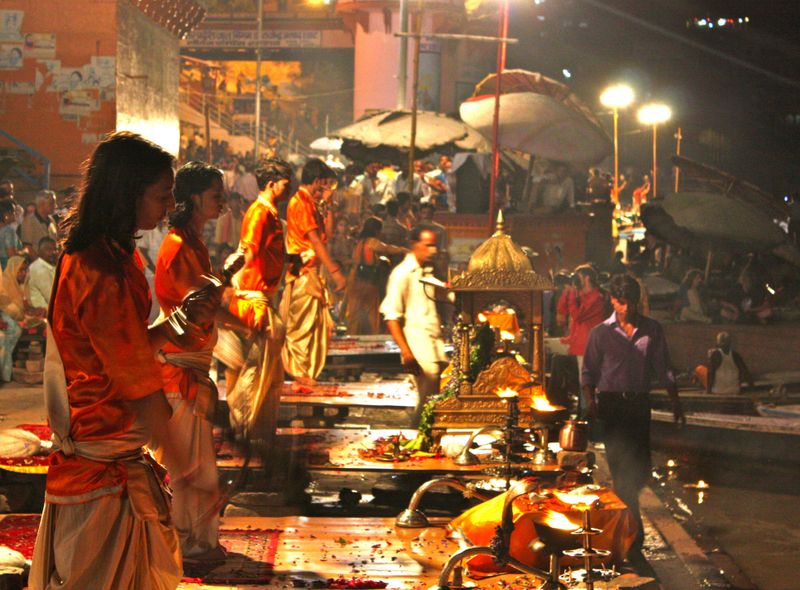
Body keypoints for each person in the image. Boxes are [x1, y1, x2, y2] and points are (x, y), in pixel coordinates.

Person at [30, 132, 220, 590]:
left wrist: (177, 321)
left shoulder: (114, 254)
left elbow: (125, 345)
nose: (170, 203)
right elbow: (135, 380)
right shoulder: (102, 269)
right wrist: (188, 470)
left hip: (112, 447)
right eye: (162, 194)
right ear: (126, 192)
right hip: (104, 455)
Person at [581, 274, 684, 567]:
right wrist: (591, 402)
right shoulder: (600, 333)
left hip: (639, 405)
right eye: (622, 302)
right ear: (613, 301)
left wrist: (676, 401)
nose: (627, 309)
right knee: (621, 470)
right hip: (612, 406)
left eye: (632, 303)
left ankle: (627, 522)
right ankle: (630, 533)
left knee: (641, 471)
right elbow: (588, 372)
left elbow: (665, 368)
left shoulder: (652, 330)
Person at [153, 161, 227, 562]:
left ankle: (194, 539)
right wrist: (243, 315)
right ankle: (187, 543)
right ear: (195, 198)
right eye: (217, 195)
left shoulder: (193, 241)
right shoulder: (180, 245)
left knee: (198, 464)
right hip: (179, 368)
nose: (224, 203)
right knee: (190, 469)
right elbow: (196, 310)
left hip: (192, 364)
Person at [225, 157, 293, 438]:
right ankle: (247, 436)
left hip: (262, 299)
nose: (288, 191)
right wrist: (230, 275)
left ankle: (257, 435)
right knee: (252, 376)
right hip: (253, 305)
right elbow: (249, 249)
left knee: (268, 378)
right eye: (285, 186)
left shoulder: (271, 212)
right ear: (271, 184)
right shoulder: (260, 212)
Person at [281, 158, 345, 385]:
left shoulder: (311, 203)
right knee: (301, 326)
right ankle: (298, 370)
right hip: (304, 272)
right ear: (317, 181)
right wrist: (335, 270)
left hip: (314, 271)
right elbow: (316, 241)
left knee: (317, 326)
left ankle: (305, 371)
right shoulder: (300, 202)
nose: (326, 190)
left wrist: (327, 205)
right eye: (326, 185)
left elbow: (328, 233)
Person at [380, 225, 447, 424]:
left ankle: (424, 442)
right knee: (427, 403)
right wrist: (406, 352)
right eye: (428, 246)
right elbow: (391, 316)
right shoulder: (402, 274)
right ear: (414, 245)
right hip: (419, 348)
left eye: (435, 246)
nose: (433, 251)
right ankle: (417, 439)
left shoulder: (428, 272)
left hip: (434, 344)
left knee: (432, 401)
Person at [345, 217, 407, 335]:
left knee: (355, 316)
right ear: (376, 230)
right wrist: (403, 250)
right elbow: (387, 248)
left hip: (356, 282)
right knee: (372, 316)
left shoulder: (359, 242)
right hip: (368, 283)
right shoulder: (372, 242)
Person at [25, 237, 57, 309]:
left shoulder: (51, 265)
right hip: (45, 312)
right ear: (39, 251)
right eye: (48, 249)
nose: (53, 252)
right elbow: (52, 298)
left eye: (55, 249)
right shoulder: (39, 269)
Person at [0, 199, 21, 269]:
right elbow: (12, 255)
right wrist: (25, 251)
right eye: (13, 212)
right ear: (6, 215)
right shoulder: (8, 231)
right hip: (7, 270)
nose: (15, 214)